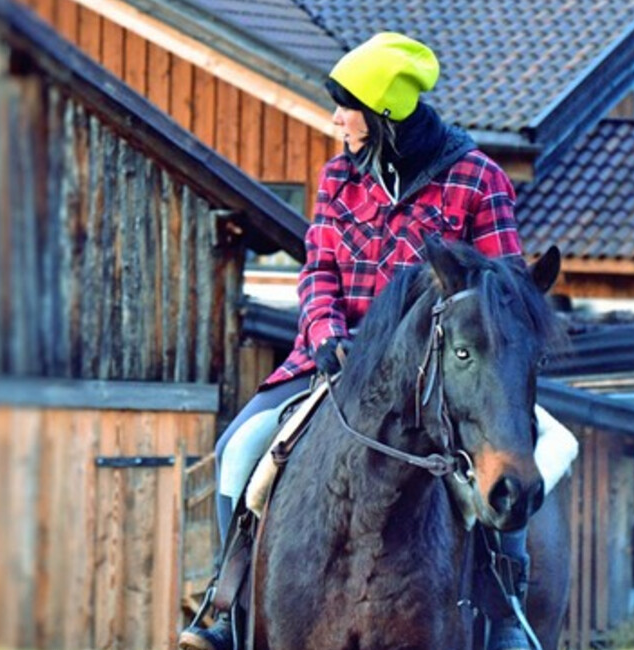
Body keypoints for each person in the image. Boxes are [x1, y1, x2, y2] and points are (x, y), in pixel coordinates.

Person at [180, 32, 569, 650]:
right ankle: (225, 607)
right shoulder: (339, 175)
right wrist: (326, 332)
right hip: (333, 362)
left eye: (347, 105)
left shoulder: (477, 179)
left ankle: (504, 616)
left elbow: (505, 293)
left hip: (446, 371)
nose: (337, 117)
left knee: (525, 464)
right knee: (238, 449)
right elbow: (318, 273)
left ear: (383, 116)